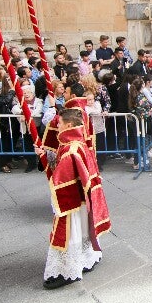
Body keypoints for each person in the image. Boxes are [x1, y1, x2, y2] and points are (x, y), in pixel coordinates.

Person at [35, 107, 110, 290]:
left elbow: (62, 178)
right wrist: (46, 156)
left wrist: (45, 157)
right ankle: (86, 259)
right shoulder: (78, 143)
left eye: (59, 123)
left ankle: (68, 271)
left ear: (68, 124)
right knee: (83, 232)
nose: (57, 126)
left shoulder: (71, 149)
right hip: (84, 200)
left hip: (73, 203)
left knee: (70, 236)